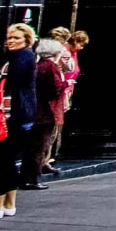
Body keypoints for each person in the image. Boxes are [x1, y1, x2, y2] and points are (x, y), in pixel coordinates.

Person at [0, 22, 39, 219]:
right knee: (10, 160)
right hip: (18, 114)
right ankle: (9, 203)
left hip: (12, 116)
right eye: (9, 38)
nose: (11, 41)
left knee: (2, 160)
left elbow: (15, 80)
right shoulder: (23, 56)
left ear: (26, 40)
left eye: (16, 38)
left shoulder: (22, 56)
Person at [21, 39, 65, 190]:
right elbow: (55, 88)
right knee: (40, 146)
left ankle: (27, 177)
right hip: (44, 112)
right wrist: (65, 84)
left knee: (32, 146)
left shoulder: (38, 65)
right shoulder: (50, 67)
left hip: (34, 109)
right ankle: (32, 179)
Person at [36, 28, 76, 176]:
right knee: (49, 131)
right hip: (52, 97)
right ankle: (42, 162)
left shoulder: (43, 52)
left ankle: (43, 160)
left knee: (49, 132)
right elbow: (68, 68)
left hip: (47, 96)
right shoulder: (53, 56)